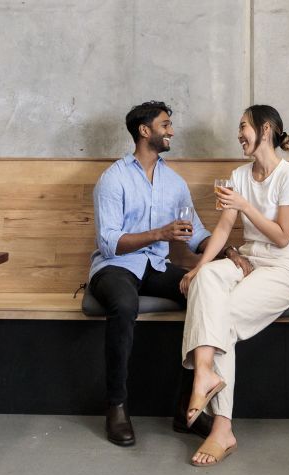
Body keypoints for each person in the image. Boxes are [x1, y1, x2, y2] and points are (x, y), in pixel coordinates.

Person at [179, 105, 289, 466]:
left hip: (281, 268)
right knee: (205, 278)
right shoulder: (238, 174)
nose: (239, 134)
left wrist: (245, 206)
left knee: (225, 318)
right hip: (248, 260)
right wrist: (198, 267)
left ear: (266, 129)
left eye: (243, 127)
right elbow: (222, 230)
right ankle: (204, 373)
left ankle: (222, 427)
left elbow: (282, 237)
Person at [89, 101, 213, 446]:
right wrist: (160, 233)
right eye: (165, 125)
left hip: (155, 267)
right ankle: (116, 407)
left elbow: (196, 234)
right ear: (145, 131)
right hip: (114, 268)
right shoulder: (113, 178)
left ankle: (188, 411)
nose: (171, 131)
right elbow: (109, 242)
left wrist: (225, 250)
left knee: (205, 293)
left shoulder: (174, 182)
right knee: (125, 304)